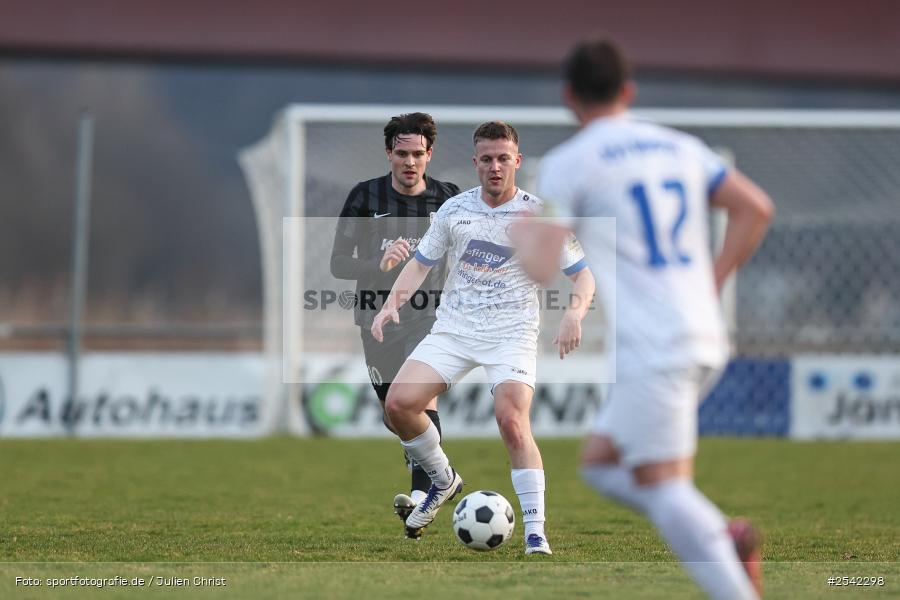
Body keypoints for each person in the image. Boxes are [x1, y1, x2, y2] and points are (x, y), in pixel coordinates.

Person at [515, 39, 773, 598]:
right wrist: (715, 278)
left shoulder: (568, 162)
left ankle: (731, 574)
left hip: (658, 345)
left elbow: (539, 267)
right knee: (602, 465)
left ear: (568, 97)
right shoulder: (680, 147)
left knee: (663, 485)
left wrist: (524, 235)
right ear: (629, 90)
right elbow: (756, 208)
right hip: (702, 332)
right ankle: (721, 536)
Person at [371, 121, 596, 554]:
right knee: (398, 405)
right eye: (487, 159)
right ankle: (442, 479)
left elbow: (583, 277)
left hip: (511, 334)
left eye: (503, 159)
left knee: (512, 421)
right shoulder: (454, 210)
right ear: (476, 163)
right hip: (455, 330)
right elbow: (420, 264)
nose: (495, 167)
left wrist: (574, 315)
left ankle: (535, 533)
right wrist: (391, 303)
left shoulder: (540, 214)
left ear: (517, 161)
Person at [329, 112, 460, 532]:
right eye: (401, 153)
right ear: (388, 153)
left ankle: (426, 494)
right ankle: (435, 479)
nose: (409, 162)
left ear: (429, 154)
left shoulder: (449, 199)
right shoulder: (364, 198)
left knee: (417, 400)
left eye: (417, 154)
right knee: (393, 412)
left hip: (430, 314)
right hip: (374, 315)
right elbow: (336, 264)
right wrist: (378, 263)